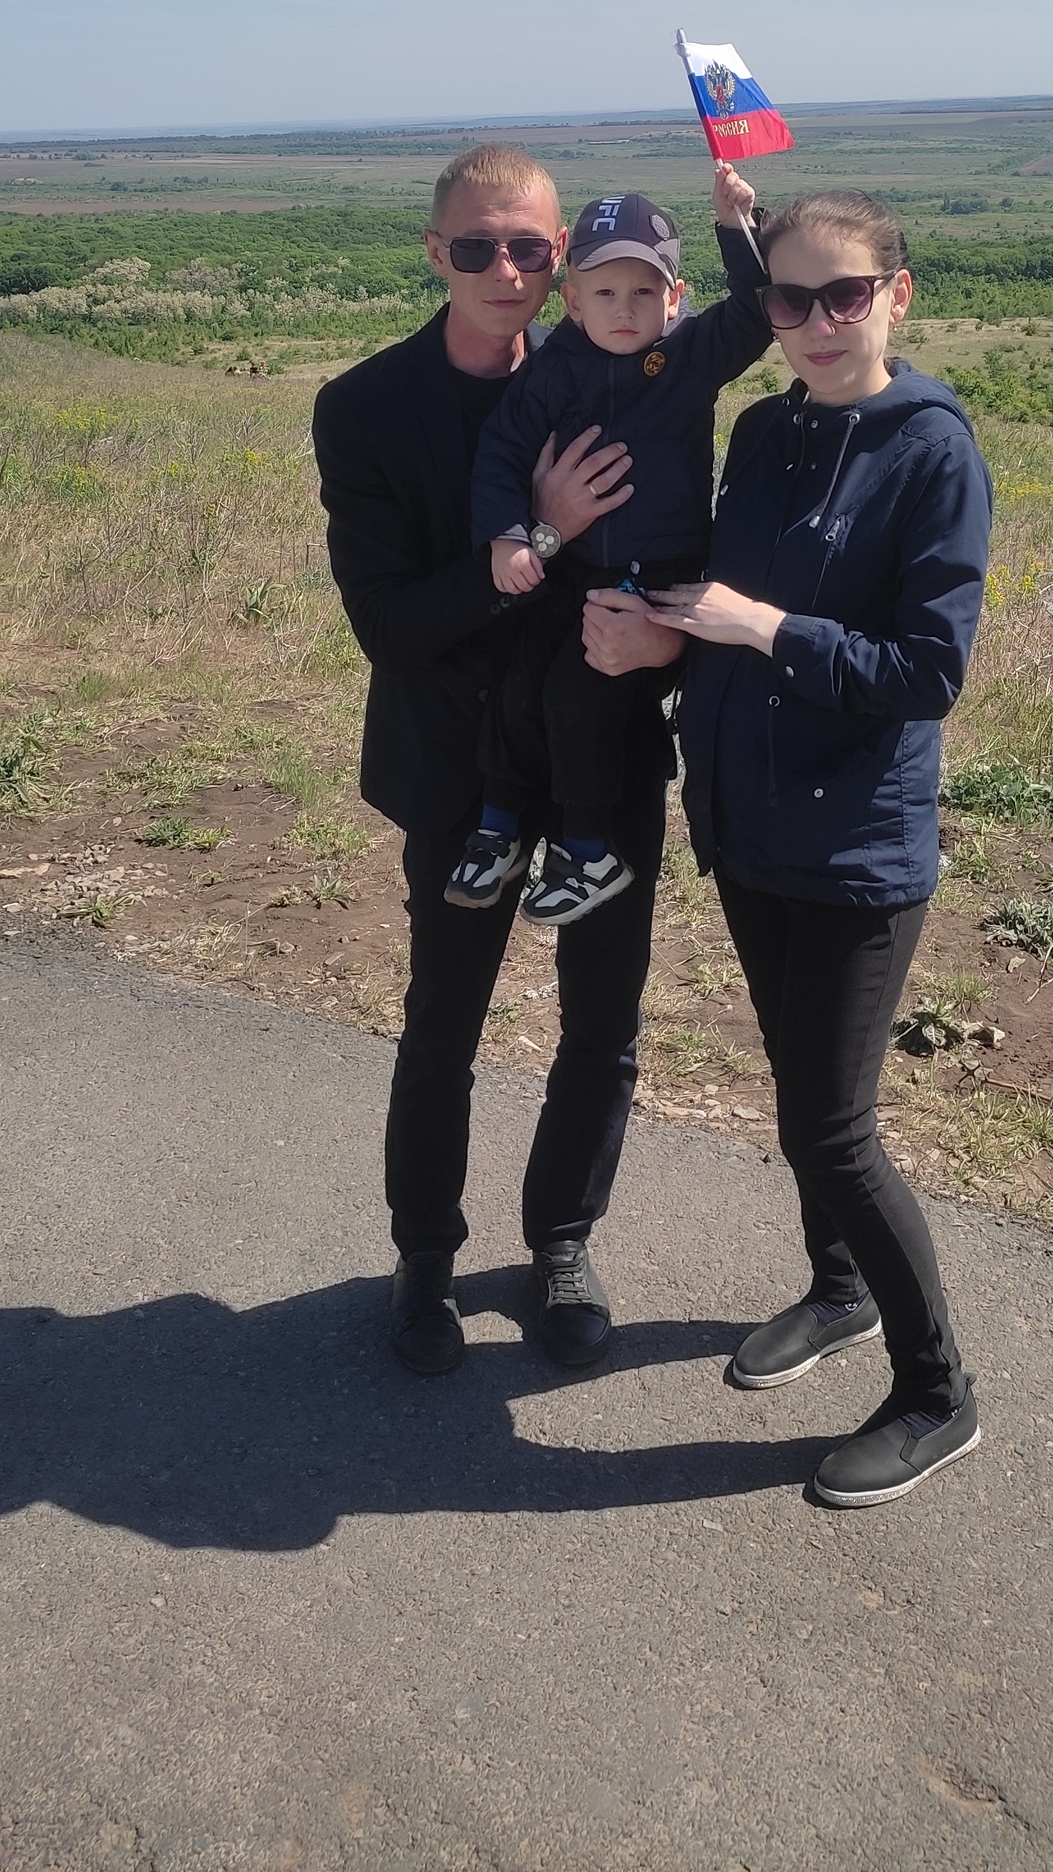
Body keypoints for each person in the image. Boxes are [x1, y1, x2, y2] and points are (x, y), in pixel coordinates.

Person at [639, 187, 993, 1509]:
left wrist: (761, 627)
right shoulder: (764, 429)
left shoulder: (932, 452)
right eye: (789, 298)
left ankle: (938, 1392)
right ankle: (839, 1289)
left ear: (899, 293)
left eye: (846, 294)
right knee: (797, 1089)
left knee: (831, 1129)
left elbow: (927, 671)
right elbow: (716, 596)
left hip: (856, 846)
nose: (817, 321)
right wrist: (661, 631)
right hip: (748, 821)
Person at [311, 146, 683, 1380]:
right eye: (477, 246)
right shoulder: (366, 407)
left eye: (529, 247)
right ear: (436, 253)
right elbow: (390, 624)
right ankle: (425, 1254)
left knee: (604, 1023)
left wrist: (669, 641)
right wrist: (542, 532)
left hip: (602, 757)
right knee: (445, 1024)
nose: (505, 269)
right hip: (456, 765)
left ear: (562, 258)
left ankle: (562, 1242)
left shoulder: (620, 366)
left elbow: (681, 548)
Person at [447, 171, 768, 927]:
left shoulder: (689, 357)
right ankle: (497, 827)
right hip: (572, 568)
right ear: (572, 300)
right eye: (605, 291)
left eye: (644, 292)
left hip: (653, 577)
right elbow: (503, 452)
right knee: (518, 682)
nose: (624, 309)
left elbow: (756, 313)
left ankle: (587, 850)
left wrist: (736, 227)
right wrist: (508, 535)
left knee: (579, 696)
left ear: (674, 297)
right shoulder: (556, 367)